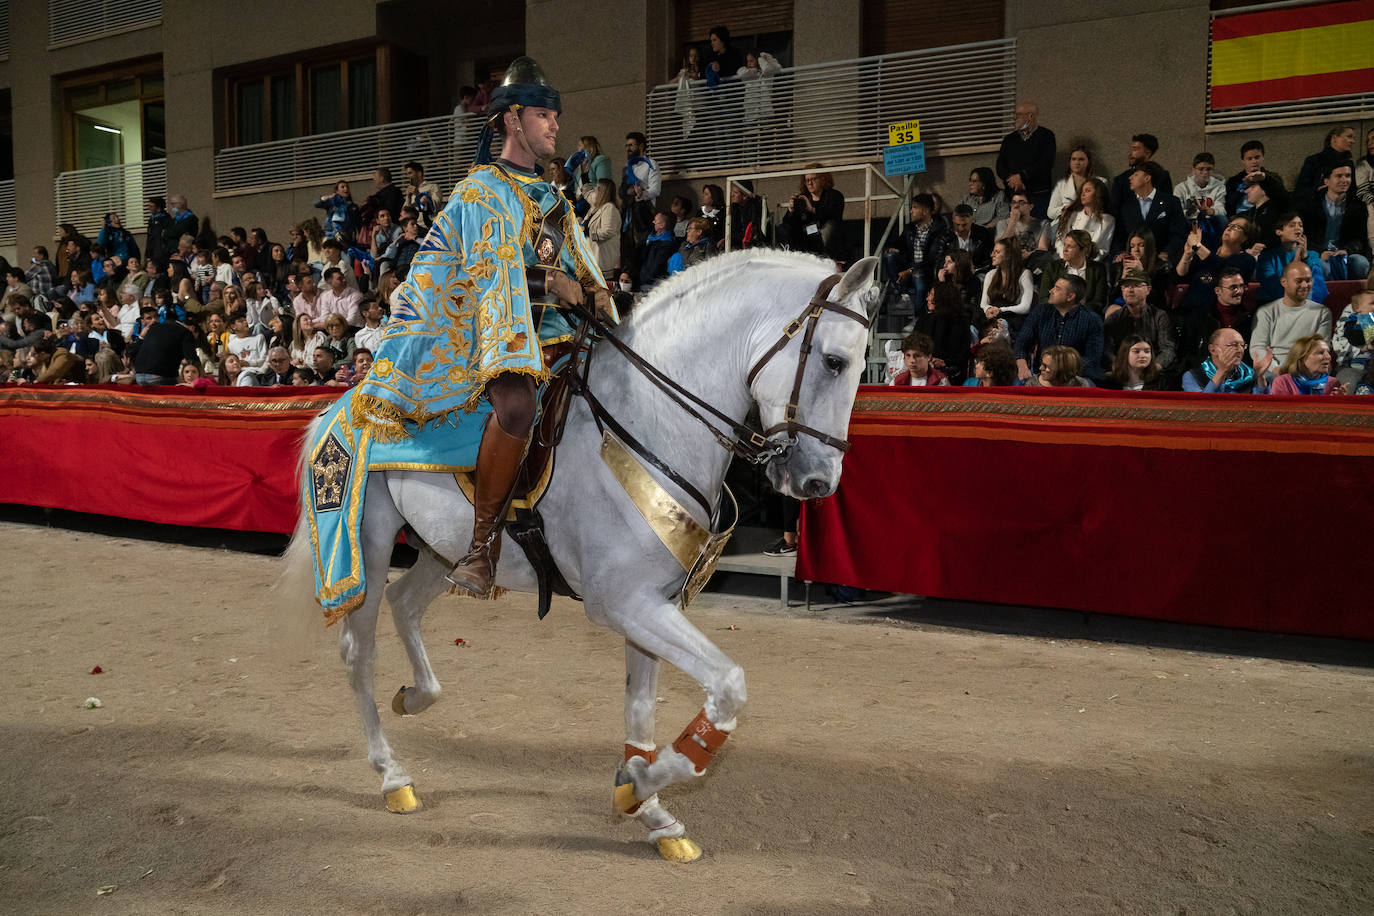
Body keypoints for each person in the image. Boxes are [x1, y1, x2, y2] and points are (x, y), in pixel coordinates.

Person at [352, 56, 614, 599]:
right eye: (543, 115)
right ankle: (482, 545)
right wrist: (552, 282)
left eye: (556, 117)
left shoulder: (555, 201)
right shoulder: (480, 191)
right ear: (513, 119)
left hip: (559, 335)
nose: (555, 126)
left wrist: (595, 291)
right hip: (487, 336)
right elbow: (484, 272)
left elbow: (580, 265)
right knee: (516, 405)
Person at [1014, 274, 1105, 384]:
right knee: (1018, 383)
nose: (1050, 291)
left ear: (1070, 297)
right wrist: (1022, 364)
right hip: (1042, 372)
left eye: (1057, 288)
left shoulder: (1092, 320)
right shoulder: (1040, 312)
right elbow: (1022, 342)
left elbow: (1092, 357)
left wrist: (1061, 370)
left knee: (1089, 385)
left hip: (1074, 375)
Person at [1250, 260, 1333, 378]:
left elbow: (1321, 348)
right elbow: (1258, 348)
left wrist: (1300, 370)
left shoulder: (1322, 312)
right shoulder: (1266, 312)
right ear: (1284, 282)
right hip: (1273, 369)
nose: (1305, 285)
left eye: (1308, 280)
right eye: (1299, 281)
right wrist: (1276, 369)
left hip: (1308, 368)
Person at [1299, 160, 1370, 281]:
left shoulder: (1358, 206)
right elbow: (1304, 236)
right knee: (1323, 268)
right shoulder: (1311, 205)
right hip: (1318, 252)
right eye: (1339, 176)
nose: (1344, 180)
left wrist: (1347, 250)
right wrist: (1321, 252)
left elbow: (1360, 238)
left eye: (1348, 176)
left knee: (1360, 264)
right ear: (1326, 181)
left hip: (1345, 252)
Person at [1113, 160, 1189, 266]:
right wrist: (1121, 252)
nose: (1130, 178)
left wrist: (1167, 253)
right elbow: (1119, 234)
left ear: (1147, 178)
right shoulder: (1126, 206)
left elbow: (1178, 233)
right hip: (1134, 260)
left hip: (1162, 261)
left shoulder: (1171, 202)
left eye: (1136, 175)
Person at [1103, 267, 1177, 370]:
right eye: (1126, 286)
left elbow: (1168, 349)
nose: (1130, 290)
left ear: (1148, 290)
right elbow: (1107, 349)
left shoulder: (1159, 317)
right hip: (1122, 370)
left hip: (1153, 369)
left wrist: (1154, 368)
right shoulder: (1114, 318)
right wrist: (1117, 366)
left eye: (1136, 285)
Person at [995, 99, 1056, 218]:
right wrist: (1012, 179)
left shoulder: (1046, 136)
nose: (1015, 118)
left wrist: (1021, 176)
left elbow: (1046, 163)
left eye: (1018, 115)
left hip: (1038, 195)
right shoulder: (1009, 140)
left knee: (1037, 227)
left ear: (1030, 116)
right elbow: (1000, 165)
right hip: (1013, 195)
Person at [1256, 212, 1328, 304]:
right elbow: (1275, 289)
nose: (1298, 228)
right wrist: (1296, 259)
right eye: (1292, 225)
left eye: (1300, 225)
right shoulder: (1267, 258)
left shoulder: (1312, 255)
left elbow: (1318, 287)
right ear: (1279, 232)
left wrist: (1305, 257)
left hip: (1306, 304)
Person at [886, 194, 941, 307]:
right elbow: (899, 244)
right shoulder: (910, 228)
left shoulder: (938, 231)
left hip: (926, 271)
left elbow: (932, 260)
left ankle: (918, 314)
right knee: (890, 256)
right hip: (910, 266)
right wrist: (895, 248)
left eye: (915, 207)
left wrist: (910, 271)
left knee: (918, 277)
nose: (911, 211)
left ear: (925, 211)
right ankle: (902, 291)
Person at [779, 168, 845, 260]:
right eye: (807, 180)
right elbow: (787, 222)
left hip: (822, 231)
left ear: (823, 179)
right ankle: (791, 258)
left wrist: (811, 210)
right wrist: (791, 210)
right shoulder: (802, 198)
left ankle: (825, 259)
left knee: (829, 227)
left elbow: (831, 215)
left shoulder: (834, 195)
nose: (810, 183)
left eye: (813, 179)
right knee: (784, 228)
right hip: (807, 233)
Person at [914, 282, 972, 383]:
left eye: (931, 295)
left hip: (951, 377)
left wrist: (945, 363)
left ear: (942, 297)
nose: (927, 299)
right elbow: (912, 345)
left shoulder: (961, 323)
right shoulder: (924, 320)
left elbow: (963, 355)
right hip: (922, 374)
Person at [1038, 229, 1106, 313]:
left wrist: (1078, 312)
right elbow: (1044, 298)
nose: (1064, 249)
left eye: (1070, 246)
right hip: (1056, 314)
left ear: (1084, 250)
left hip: (1085, 315)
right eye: (1064, 245)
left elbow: (1099, 302)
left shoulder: (1098, 269)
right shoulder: (1053, 267)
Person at [1182, 327, 1266, 393]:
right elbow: (1201, 405)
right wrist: (1222, 371)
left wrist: (1260, 377)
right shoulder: (1194, 376)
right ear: (1213, 350)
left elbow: (1263, 406)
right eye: (1233, 345)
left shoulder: (1249, 375)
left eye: (1242, 345)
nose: (1240, 350)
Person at [1109, 134, 1173, 218]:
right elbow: (1115, 210)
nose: (1130, 153)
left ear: (1148, 153)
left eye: (1135, 149)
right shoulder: (1120, 180)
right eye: (1131, 149)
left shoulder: (1162, 176)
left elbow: (1167, 205)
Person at [1173, 152, 1228, 241]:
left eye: (1209, 169)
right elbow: (1176, 213)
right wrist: (1192, 212)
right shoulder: (1181, 188)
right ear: (1193, 170)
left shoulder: (1219, 186)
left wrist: (1211, 211)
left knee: (1222, 219)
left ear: (1213, 170)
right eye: (1201, 169)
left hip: (1210, 220)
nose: (1205, 172)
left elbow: (1222, 210)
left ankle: (1220, 246)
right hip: (1189, 220)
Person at [133, 311, 198, 385]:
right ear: (192, 328)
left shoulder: (153, 328)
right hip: (159, 376)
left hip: (139, 376)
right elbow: (192, 360)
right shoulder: (186, 332)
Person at [1294, 124, 1358, 200]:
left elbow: (1353, 192)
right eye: (1349, 137)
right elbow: (1300, 191)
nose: (1353, 141)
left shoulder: (1349, 164)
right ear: (1334, 138)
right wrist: (1319, 191)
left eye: (1353, 138)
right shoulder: (1313, 161)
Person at [1225, 140, 1287, 218]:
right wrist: (1243, 186)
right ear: (1243, 161)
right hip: (1240, 218)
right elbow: (1228, 206)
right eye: (1249, 159)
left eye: (1257, 157)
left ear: (1263, 158)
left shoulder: (1272, 177)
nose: (1254, 161)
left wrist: (1265, 179)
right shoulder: (1233, 181)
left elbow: (1284, 199)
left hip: (1267, 217)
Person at [1269, 335, 1344, 395]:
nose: (1328, 356)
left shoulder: (1333, 383)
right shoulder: (1283, 382)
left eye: (1328, 352)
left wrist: (1339, 401)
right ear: (1302, 358)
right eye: (1320, 353)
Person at [979, 239, 1035, 321]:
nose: (992, 255)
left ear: (1008, 255)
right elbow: (983, 304)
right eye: (993, 251)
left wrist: (1000, 310)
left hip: (1013, 318)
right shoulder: (990, 274)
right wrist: (989, 309)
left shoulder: (1025, 274)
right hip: (992, 317)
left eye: (997, 252)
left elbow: (1025, 307)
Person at [1333, 289, 1374, 390]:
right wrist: (1362, 323)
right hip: (1356, 364)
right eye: (1372, 303)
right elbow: (1352, 339)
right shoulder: (1353, 320)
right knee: (1349, 381)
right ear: (1357, 309)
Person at [1047, 144, 1096, 220]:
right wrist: (1065, 209)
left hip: (1089, 221)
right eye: (1073, 159)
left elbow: (1103, 208)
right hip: (1065, 221)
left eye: (1081, 159)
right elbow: (1050, 213)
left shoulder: (1100, 182)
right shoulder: (1061, 185)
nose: (1077, 162)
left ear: (1088, 162)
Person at [1103, 334, 1169, 390]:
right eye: (1136, 351)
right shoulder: (1111, 382)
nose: (1143, 355)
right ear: (1125, 354)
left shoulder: (1162, 382)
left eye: (1147, 351)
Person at [938, 204, 994, 271]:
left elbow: (988, 262)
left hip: (976, 272)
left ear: (972, 221)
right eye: (957, 224)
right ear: (953, 221)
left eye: (964, 225)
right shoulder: (945, 236)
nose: (960, 229)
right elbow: (939, 262)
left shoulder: (983, 234)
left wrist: (975, 271)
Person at [1024, 344, 1092, 387]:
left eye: (1045, 366)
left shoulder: (1081, 385)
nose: (1040, 368)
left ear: (1061, 369)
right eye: (1041, 364)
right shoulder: (1032, 384)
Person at [403, 161, 442, 228]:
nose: (408, 176)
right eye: (407, 174)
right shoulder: (410, 191)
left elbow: (435, 206)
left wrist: (418, 194)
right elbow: (405, 213)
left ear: (419, 174)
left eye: (410, 173)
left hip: (430, 225)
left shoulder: (432, 187)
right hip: (414, 227)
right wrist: (408, 197)